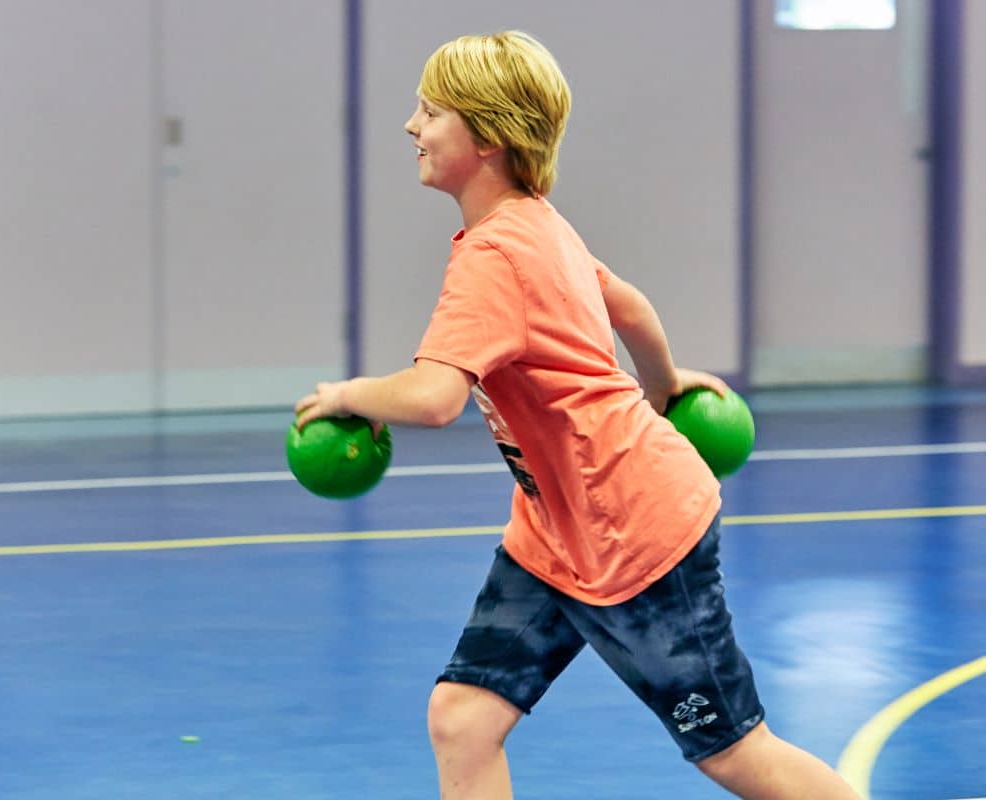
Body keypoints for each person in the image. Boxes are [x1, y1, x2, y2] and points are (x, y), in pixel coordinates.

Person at [294, 30, 860, 800]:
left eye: (430, 111)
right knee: (462, 717)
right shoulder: (537, 222)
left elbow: (434, 397)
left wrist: (349, 394)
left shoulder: (494, 256)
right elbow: (629, 305)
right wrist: (661, 386)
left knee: (734, 753)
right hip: (555, 536)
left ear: (487, 137)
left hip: (638, 538)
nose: (410, 126)